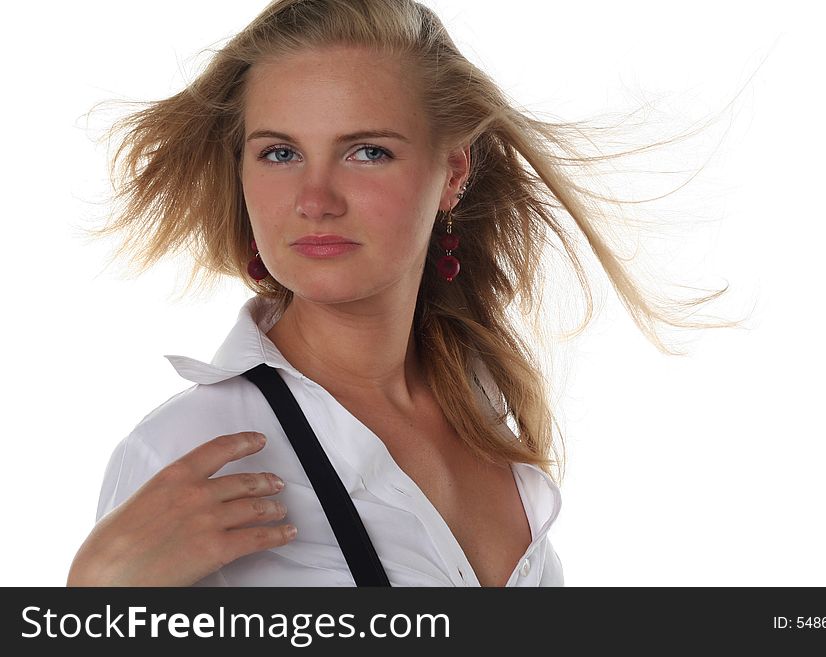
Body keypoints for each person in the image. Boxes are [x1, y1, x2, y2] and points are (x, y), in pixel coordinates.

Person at [69, 0, 739, 587]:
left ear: (452, 172)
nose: (315, 200)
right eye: (279, 152)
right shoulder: (190, 449)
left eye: (366, 152)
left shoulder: (485, 410)